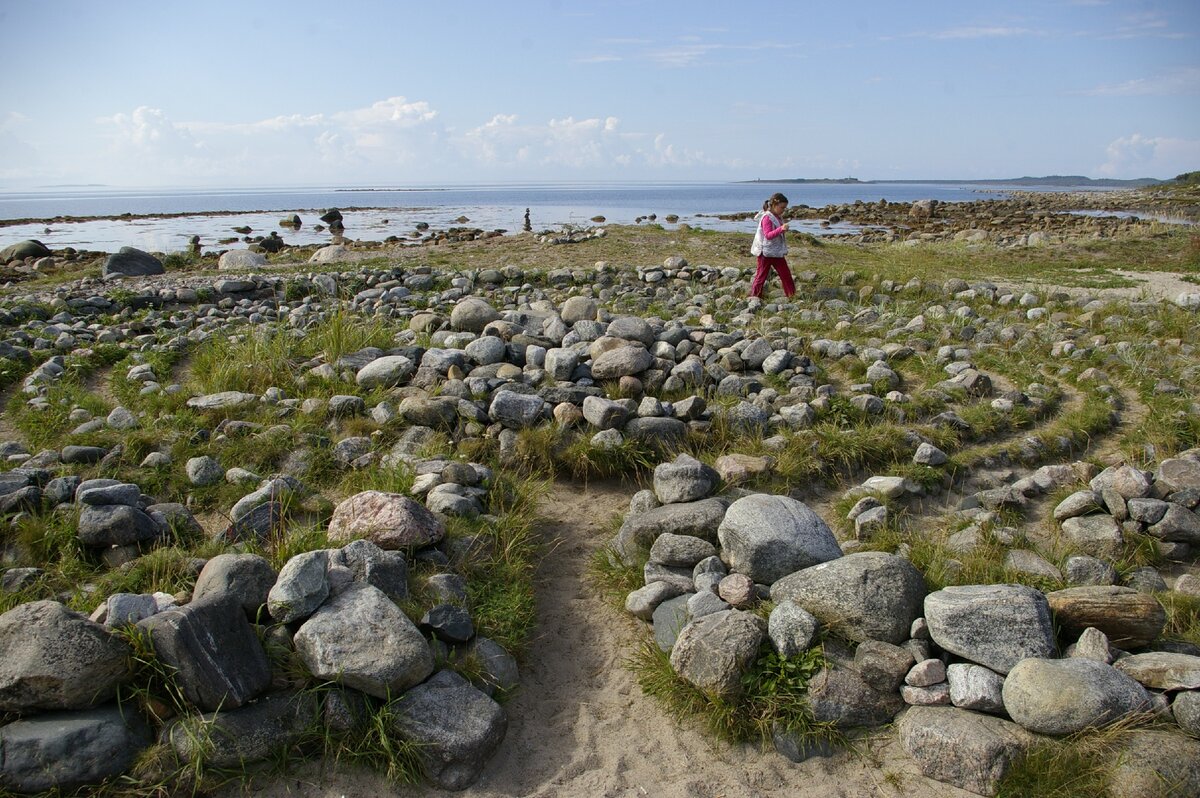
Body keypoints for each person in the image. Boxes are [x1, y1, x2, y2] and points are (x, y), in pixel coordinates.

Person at [749, 192, 795, 300]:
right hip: (765, 253)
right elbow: (768, 235)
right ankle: (754, 297)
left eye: (785, 208)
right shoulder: (767, 218)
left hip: (776, 252)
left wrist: (781, 230)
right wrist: (781, 229)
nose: (783, 210)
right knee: (761, 276)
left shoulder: (777, 217)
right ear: (774, 205)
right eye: (782, 207)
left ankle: (792, 295)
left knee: (786, 275)